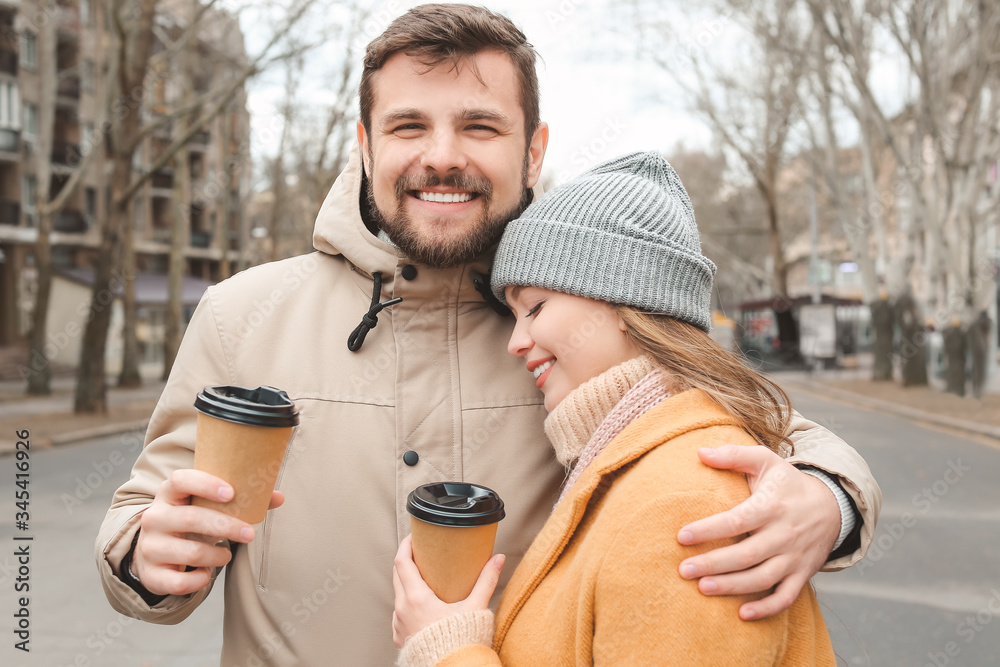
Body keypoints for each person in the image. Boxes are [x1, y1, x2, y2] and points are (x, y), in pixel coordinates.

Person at [96, 5, 879, 665]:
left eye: (479, 125)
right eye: (408, 125)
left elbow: (747, 431)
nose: (443, 156)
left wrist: (827, 499)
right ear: (366, 147)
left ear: (532, 150)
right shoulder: (240, 313)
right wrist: (147, 554)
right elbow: (144, 512)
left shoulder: (580, 324)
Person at [391, 151, 837, 665]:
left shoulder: (681, 505)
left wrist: (448, 650)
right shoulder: (629, 460)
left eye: (535, 307)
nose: (516, 341)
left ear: (628, 306)